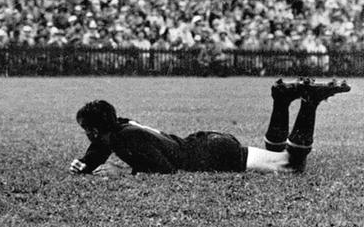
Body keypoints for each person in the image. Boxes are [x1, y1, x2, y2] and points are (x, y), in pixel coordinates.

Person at [69, 78, 350, 175]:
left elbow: (164, 169)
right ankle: (281, 100)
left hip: (210, 154)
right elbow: (100, 147)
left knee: (291, 165)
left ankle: (309, 103)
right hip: (207, 143)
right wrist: (86, 163)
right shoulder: (121, 127)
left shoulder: (124, 140)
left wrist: (124, 171)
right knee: (278, 157)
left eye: (86, 129)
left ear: (93, 129)